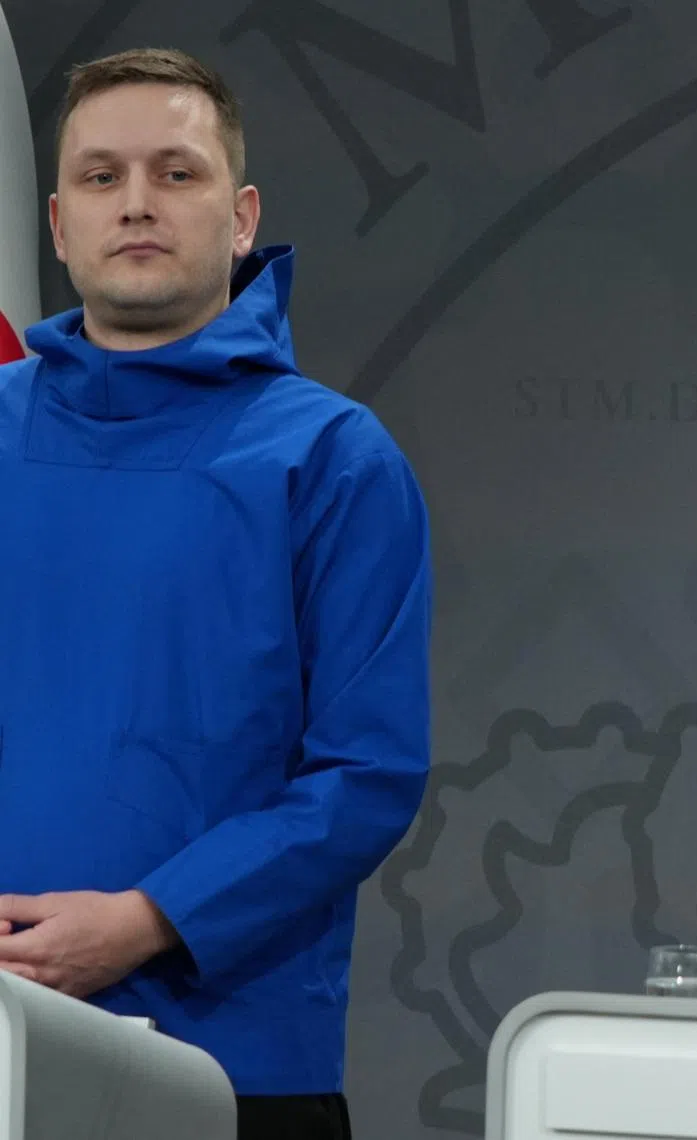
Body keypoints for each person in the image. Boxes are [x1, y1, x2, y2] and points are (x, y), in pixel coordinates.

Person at [0, 47, 431, 1139]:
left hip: (234, 1060)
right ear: (56, 226)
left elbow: (365, 774)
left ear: (241, 218)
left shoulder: (332, 456)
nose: (137, 204)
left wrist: (149, 920)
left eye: (175, 173)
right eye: (101, 177)